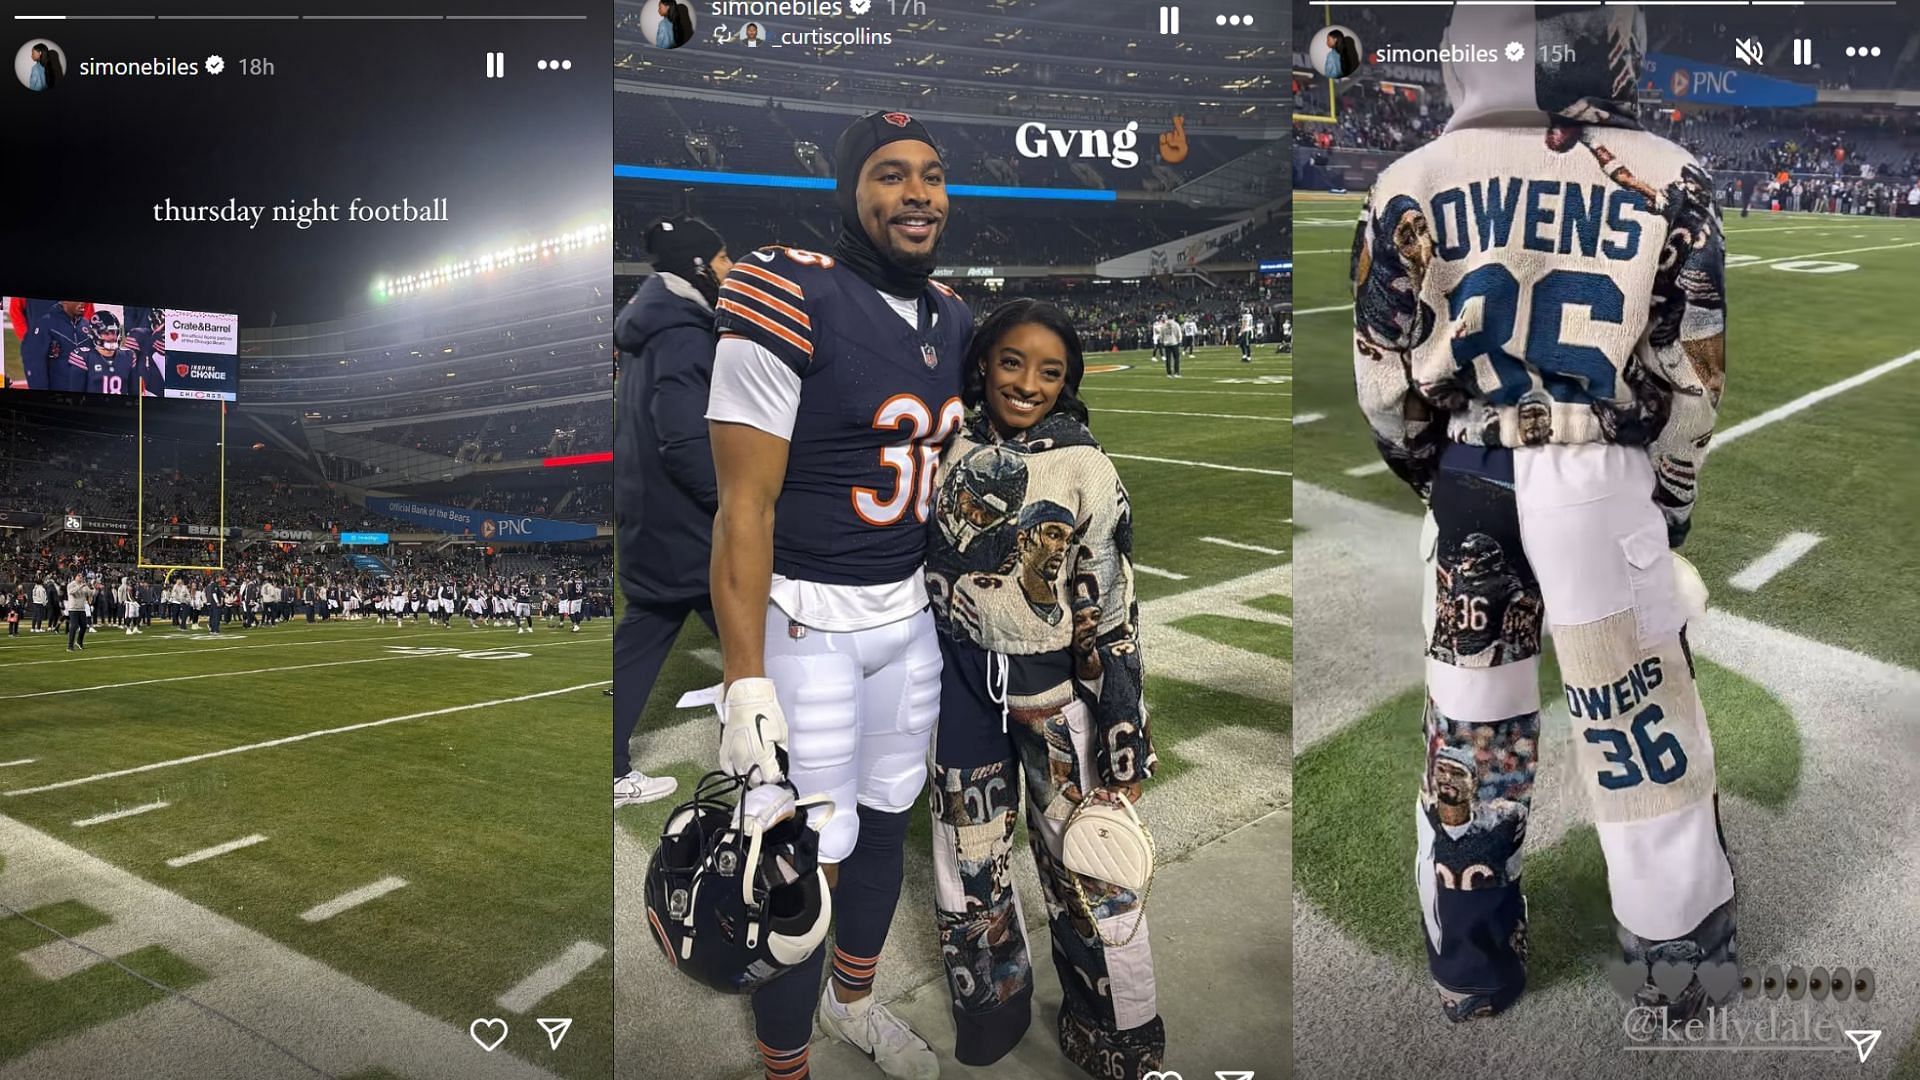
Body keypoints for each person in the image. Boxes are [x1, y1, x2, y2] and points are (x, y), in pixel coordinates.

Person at [1351, 4, 1732, 1025]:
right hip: (1600, 479)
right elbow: (1692, 375)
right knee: (1636, 727)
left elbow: (1383, 380)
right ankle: (1677, 963)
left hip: (1473, 474)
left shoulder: (1408, 180)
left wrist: (1438, 471)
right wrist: (1673, 493)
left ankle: (1473, 969)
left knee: (1473, 735)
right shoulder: (1672, 170)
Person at [706, 110, 970, 1080]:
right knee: (795, 863)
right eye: (892, 174)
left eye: (933, 176)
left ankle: (854, 1005)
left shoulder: (952, 314)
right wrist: (746, 682)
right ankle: (786, 1062)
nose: (918, 194)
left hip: (908, 618)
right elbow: (744, 504)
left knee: (884, 820)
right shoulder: (787, 288)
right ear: (851, 192)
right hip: (806, 617)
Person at [924, 299, 1162, 1078]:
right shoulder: (948, 447)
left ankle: (1119, 1037)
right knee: (970, 859)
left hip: (1053, 695)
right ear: (983, 362)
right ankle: (992, 1017)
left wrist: (1122, 711)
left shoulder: (1085, 465)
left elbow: (1114, 596)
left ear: (1068, 382)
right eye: (1012, 362)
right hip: (959, 681)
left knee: (1089, 867)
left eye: (1050, 371)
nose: (1028, 383)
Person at [613, 216, 733, 809]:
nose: (728, 269)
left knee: (642, 638)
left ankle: (608, 763)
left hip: (650, 522)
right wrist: (734, 504)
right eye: (721, 258)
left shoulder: (651, 328)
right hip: (687, 528)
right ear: (696, 267)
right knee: (764, 635)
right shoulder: (684, 333)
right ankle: (775, 760)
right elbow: (684, 443)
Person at [64, 570, 93, 651]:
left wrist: (93, 587)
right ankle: (70, 646)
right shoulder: (71, 585)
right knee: (73, 627)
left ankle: (79, 642)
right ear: (75, 577)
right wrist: (81, 586)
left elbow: (90, 593)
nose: (81, 577)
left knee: (84, 626)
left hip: (81, 609)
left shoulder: (84, 585)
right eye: (79, 576)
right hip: (73, 609)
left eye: (81, 576)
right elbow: (71, 592)